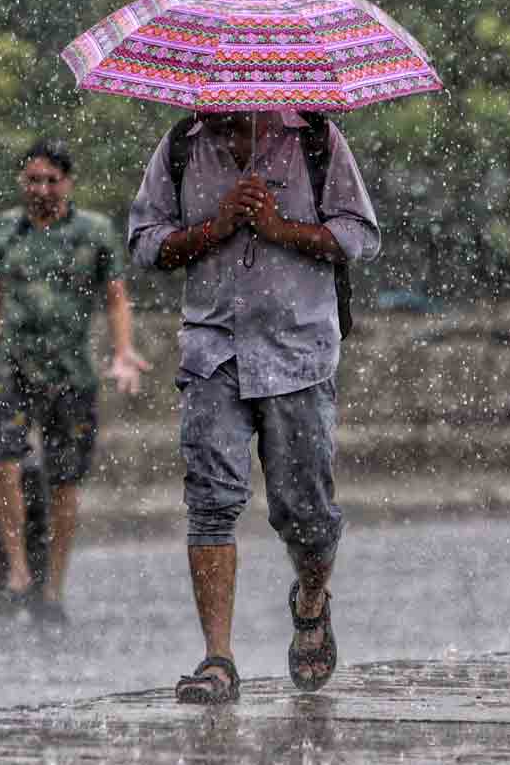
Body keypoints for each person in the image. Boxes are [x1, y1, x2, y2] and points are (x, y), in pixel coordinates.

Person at [128, 110, 380, 702]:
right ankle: (218, 659)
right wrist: (211, 230)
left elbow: (359, 235)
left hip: (298, 354)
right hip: (213, 351)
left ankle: (311, 600)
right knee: (210, 503)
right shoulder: (180, 146)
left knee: (307, 516)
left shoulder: (316, 138)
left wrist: (280, 227)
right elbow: (144, 243)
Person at [0, 139, 150, 624]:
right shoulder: (4, 231)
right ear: (21, 182)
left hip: (70, 374)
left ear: (68, 183)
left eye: (52, 180)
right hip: (11, 368)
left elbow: (116, 296)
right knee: (3, 461)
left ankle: (53, 585)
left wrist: (123, 351)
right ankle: (17, 571)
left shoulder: (93, 232)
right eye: (33, 180)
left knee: (65, 480)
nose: (42, 189)